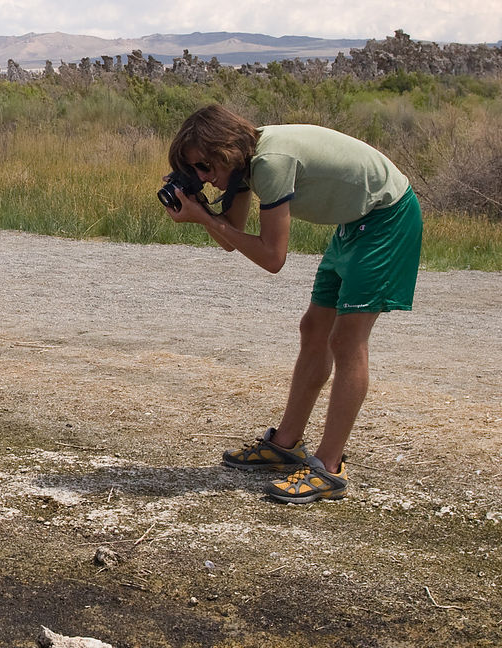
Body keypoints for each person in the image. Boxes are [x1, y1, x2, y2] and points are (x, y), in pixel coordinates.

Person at [163, 103, 423, 503]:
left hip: (387, 217)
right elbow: (232, 238)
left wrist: (205, 219)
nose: (204, 177)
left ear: (225, 150)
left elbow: (272, 258)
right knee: (314, 328)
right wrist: (198, 211)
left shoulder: (269, 163)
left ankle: (329, 468)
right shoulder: (246, 164)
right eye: (193, 170)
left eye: (204, 166)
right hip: (357, 222)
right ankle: (285, 445)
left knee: (346, 340)